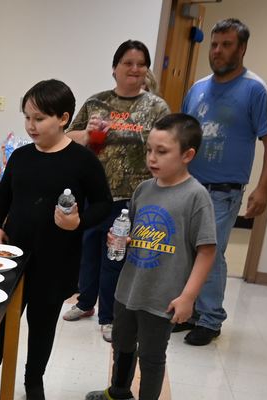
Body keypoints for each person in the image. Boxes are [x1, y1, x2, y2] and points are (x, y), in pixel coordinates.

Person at [0, 79, 112, 400]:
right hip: (13, 257)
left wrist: (79, 222)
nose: (31, 125)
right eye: (27, 117)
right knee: (1, 323)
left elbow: (103, 204)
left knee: (42, 324)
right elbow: (2, 196)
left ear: (63, 118)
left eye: (39, 118)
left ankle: (33, 381)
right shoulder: (21, 157)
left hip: (56, 259)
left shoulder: (82, 160)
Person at [84, 114, 216, 400]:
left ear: (187, 155)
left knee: (152, 356)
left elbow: (206, 251)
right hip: (129, 288)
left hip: (163, 296)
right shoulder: (144, 189)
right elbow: (135, 232)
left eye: (162, 151)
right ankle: (119, 392)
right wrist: (121, 240)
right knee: (121, 344)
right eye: (149, 151)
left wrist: (188, 297)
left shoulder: (196, 196)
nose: (152, 158)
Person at [180, 18, 267, 346]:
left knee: (209, 252)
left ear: (242, 49)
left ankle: (210, 319)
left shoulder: (255, 90)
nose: (217, 51)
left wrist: (263, 188)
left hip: (223, 190)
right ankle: (189, 311)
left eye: (226, 45)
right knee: (185, 251)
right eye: (214, 44)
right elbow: (181, 134)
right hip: (189, 185)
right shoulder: (197, 88)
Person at [61, 40, 170, 342]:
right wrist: (88, 133)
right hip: (93, 193)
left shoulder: (156, 107)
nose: (135, 69)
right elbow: (67, 136)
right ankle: (85, 303)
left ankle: (109, 317)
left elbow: (166, 146)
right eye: (128, 63)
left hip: (131, 197)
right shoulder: (97, 102)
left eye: (141, 64)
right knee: (88, 253)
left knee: (115, 257)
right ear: (114, 68)